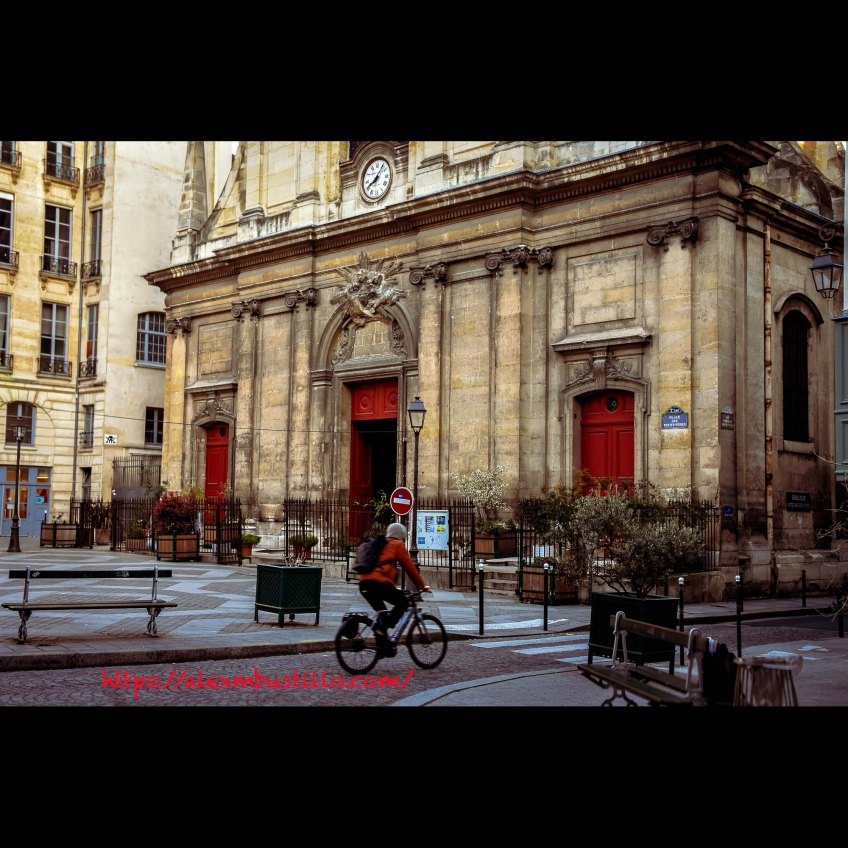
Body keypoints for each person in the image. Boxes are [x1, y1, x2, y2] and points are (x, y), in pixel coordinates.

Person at [358, 522, 430, 644]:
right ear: (401, 535)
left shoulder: (381, 544)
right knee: (403, 602)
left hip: (364, 583)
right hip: (378, 583)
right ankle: (386, 628)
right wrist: (422, 586)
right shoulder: (397, 545)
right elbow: (410, 568)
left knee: (382, 614)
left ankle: (382, 645)